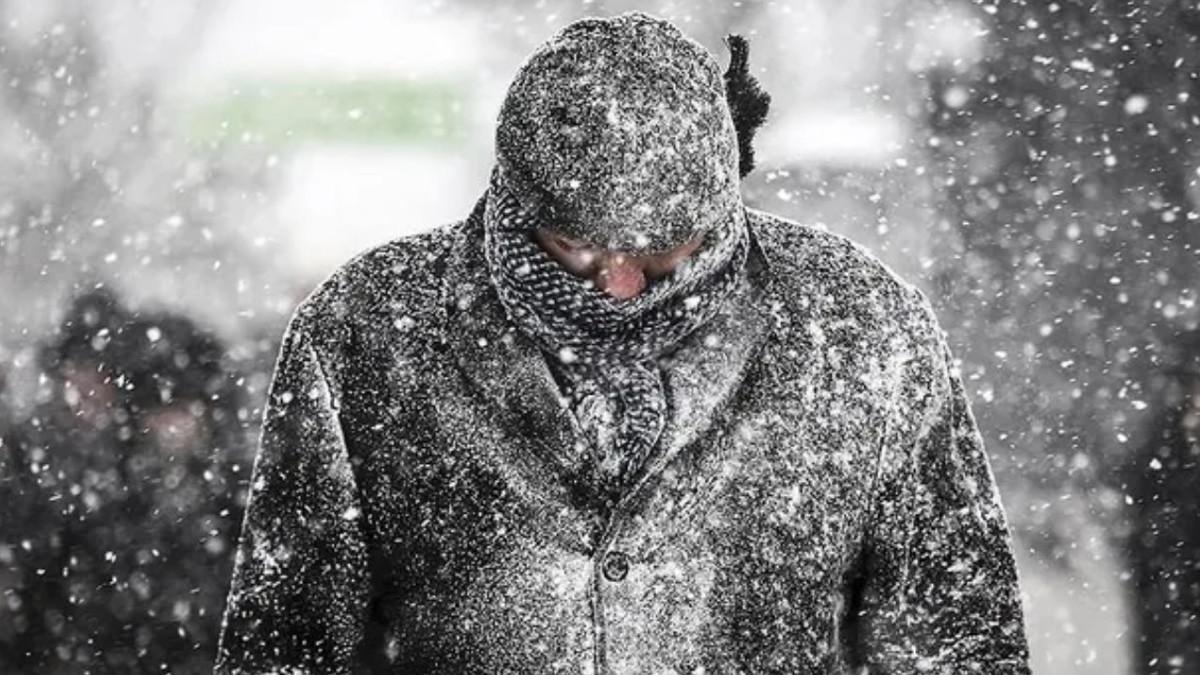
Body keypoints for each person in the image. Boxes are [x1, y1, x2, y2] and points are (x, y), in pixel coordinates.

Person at [217, 12, 1031, 674]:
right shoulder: (368, 330)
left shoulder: (860, 331)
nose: (620, 285)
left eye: (659, 253)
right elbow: (284, 644)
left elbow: (954, 637)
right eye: (577, 247)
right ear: (513, 202)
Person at [0, 287, 248, 673]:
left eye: (182, 405)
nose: (171, 425)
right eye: (159, 405)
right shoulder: (95, 494)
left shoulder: (238, 497)